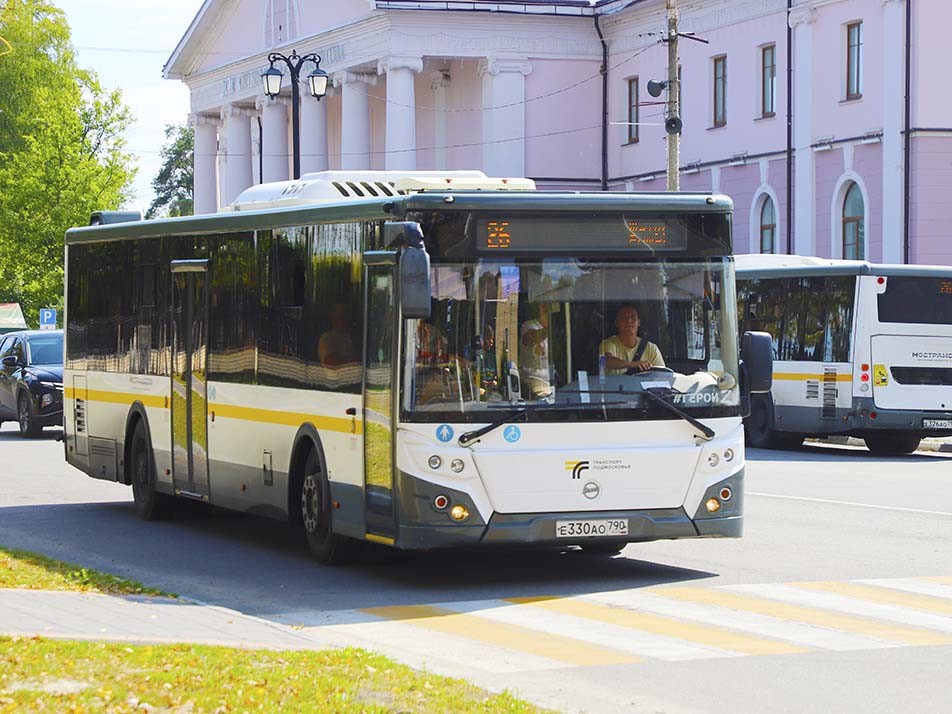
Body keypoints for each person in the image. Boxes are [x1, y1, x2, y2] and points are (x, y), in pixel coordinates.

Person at [599, 304, 665, 375]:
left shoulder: (651, 349)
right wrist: (632, 364)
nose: (629, 321)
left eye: (633, 317)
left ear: (638, 322)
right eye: (624, 318)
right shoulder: (607, 344)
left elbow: (662, 376)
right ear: (617, 323)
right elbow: (605, 361)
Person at [520, 309, 551, 398]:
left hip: (549, 383)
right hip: (535, 381)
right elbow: (533, 337)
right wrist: (549, 328)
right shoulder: (528, 325)